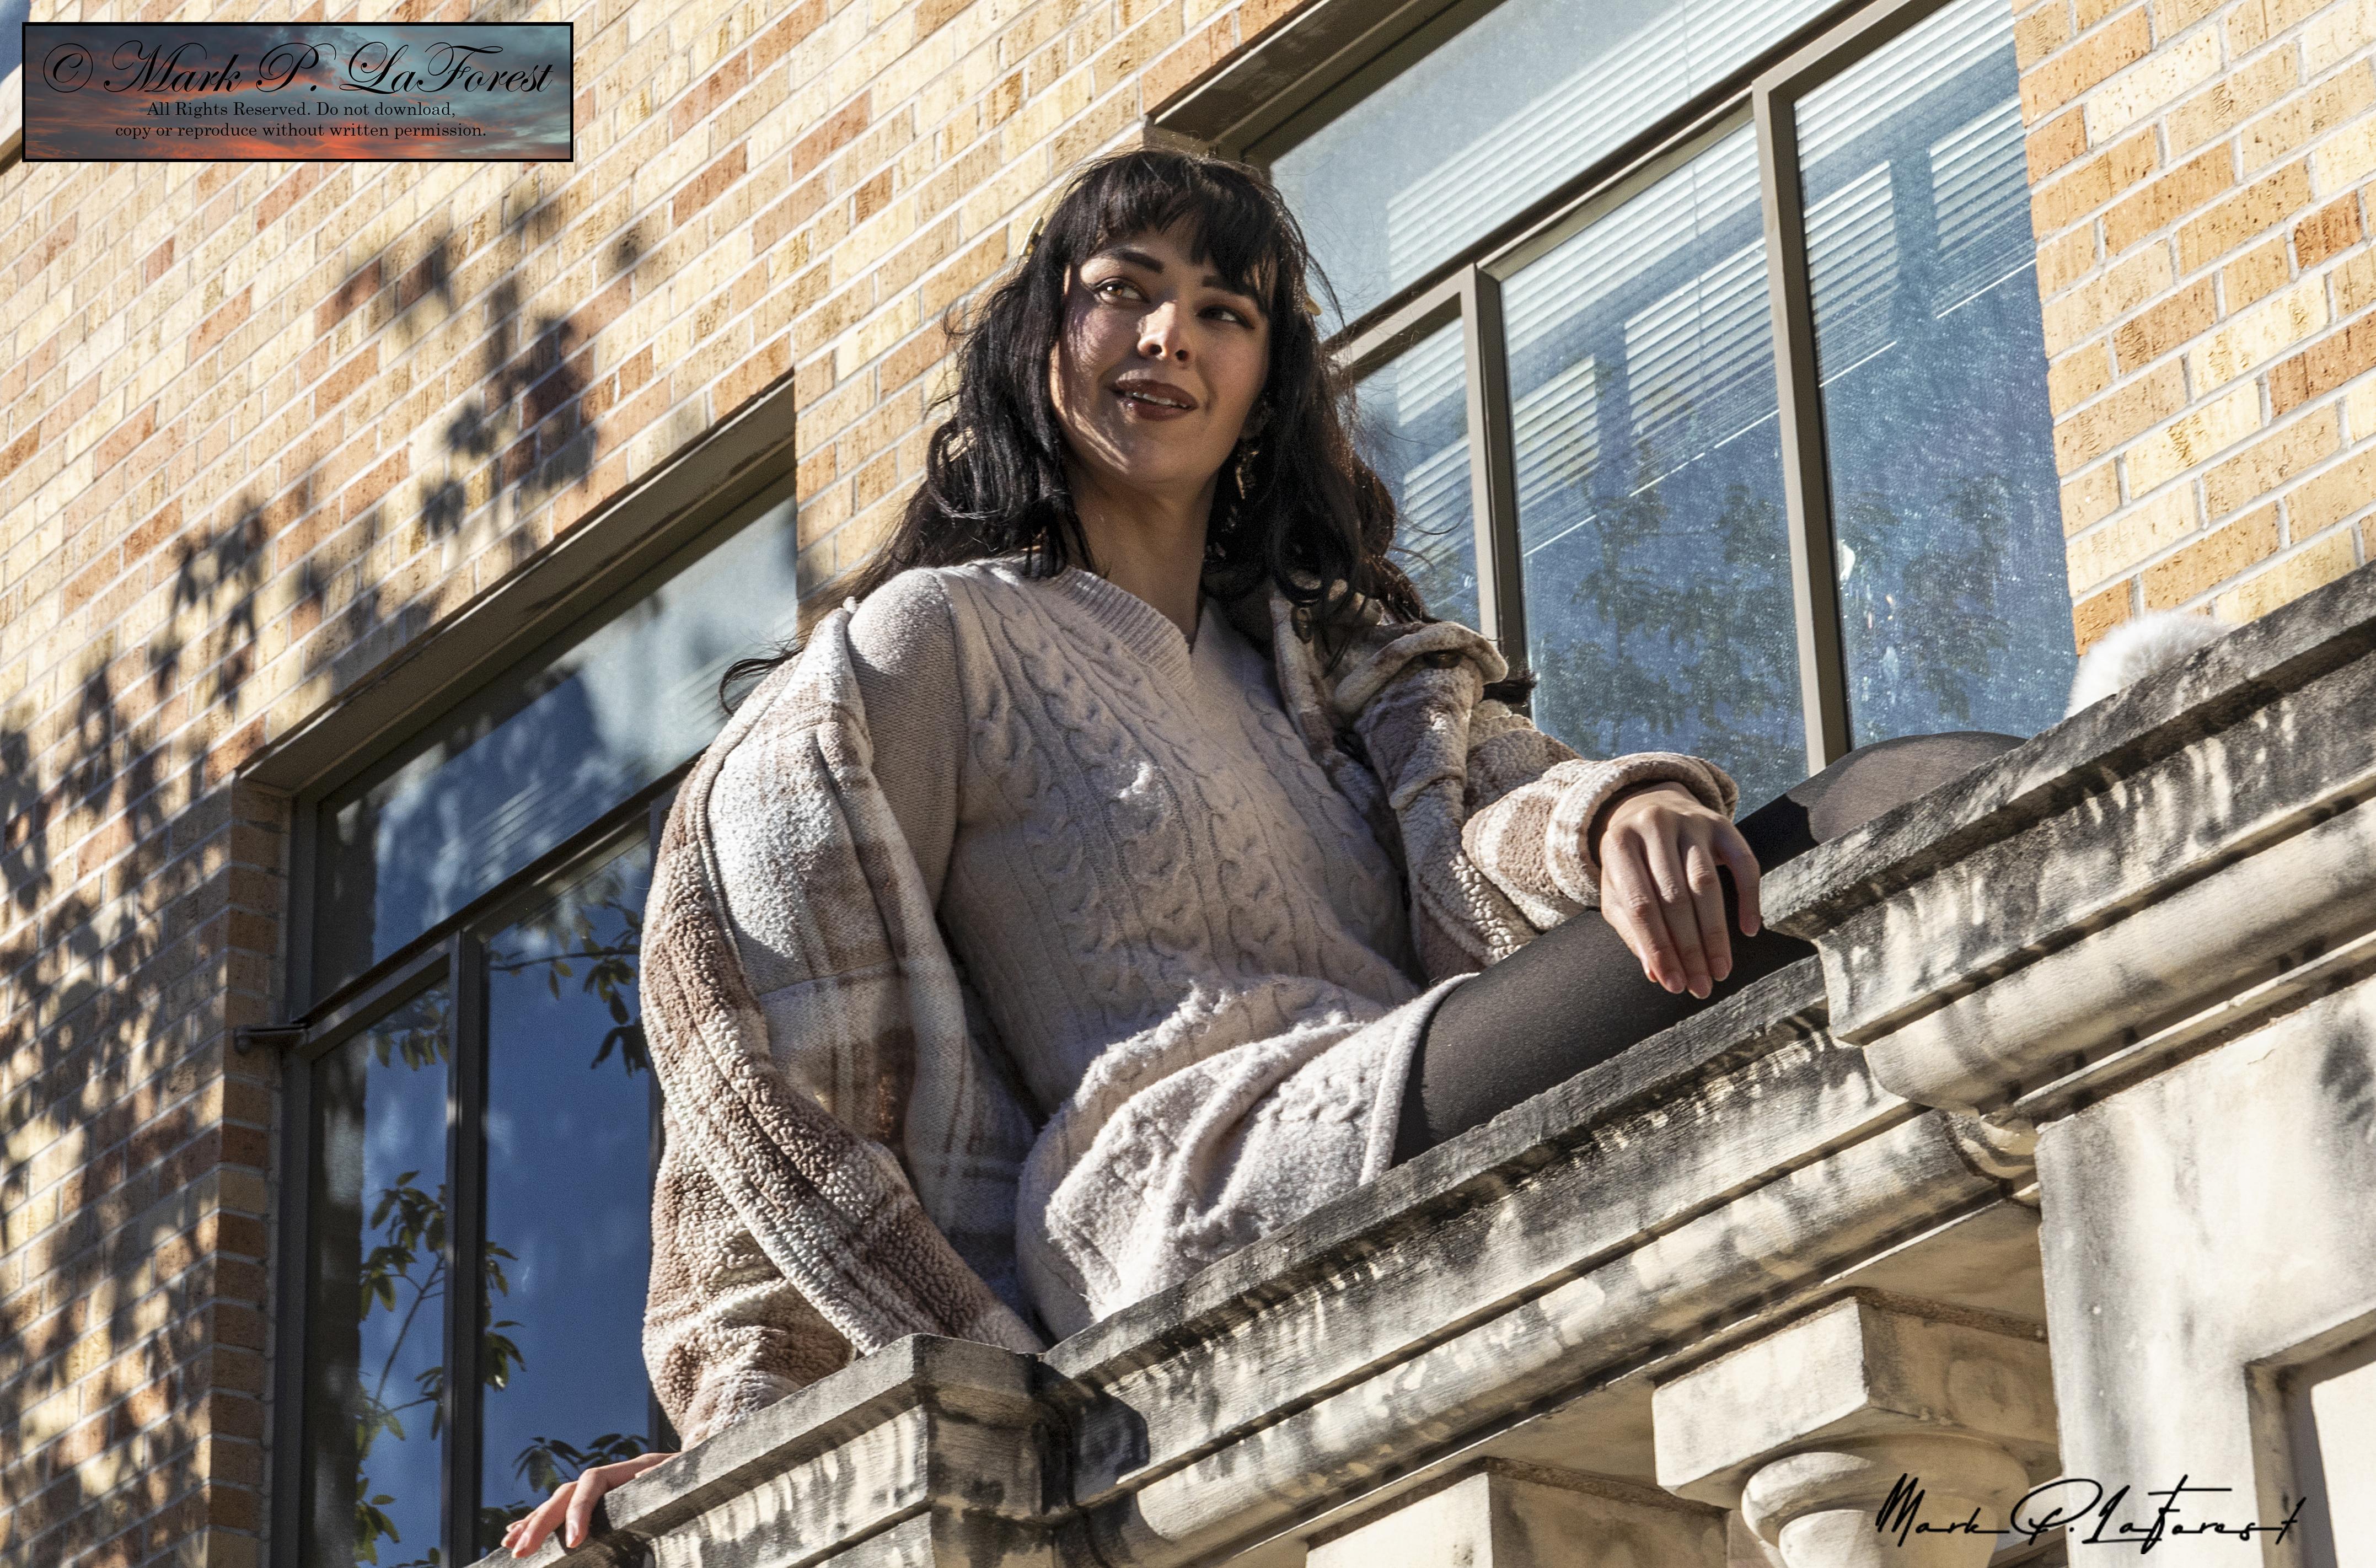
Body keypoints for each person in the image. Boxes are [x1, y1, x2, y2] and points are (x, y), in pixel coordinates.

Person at [502, 147, 2018, 1558]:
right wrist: (740, 1439)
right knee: (1880, 824)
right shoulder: (934, 642)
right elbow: (771, 1023)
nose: (1171, 335)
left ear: (1262, 384)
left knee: (1912, 802)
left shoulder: (1343, 678)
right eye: (1126, 290)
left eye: (1224, 311)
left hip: (1398, 1093)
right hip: (1181, 1189)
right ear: (1043, 337)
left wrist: (1619, 815)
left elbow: (1502, 819)